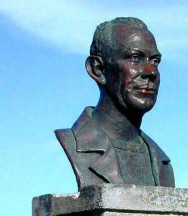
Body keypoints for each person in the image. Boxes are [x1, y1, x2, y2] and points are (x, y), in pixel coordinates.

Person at [55, 17, 175, 190]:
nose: (151, 72)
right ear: (98, 69)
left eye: (155, 61)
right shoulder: (74, 143)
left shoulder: (161, 162)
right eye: (135, 58)